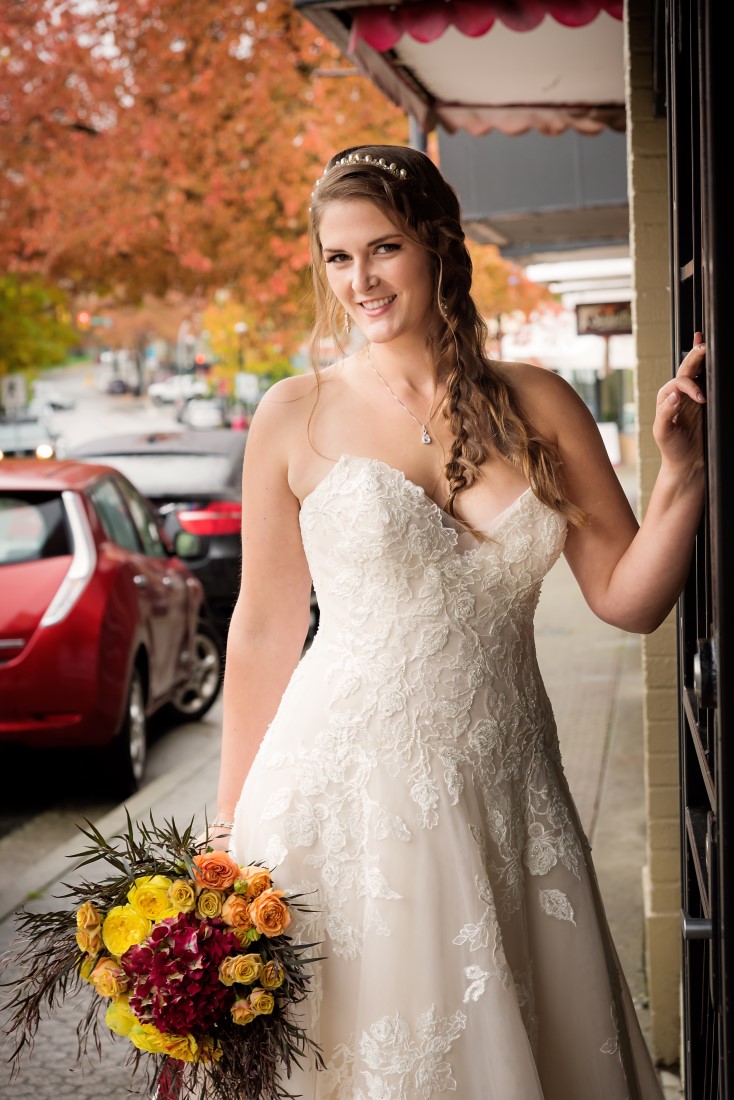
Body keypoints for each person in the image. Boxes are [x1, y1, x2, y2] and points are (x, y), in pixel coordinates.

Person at [209, 145, 706, 1099]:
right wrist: (224, 837)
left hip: (509, 792)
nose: (360, 280)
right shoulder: (293, 415)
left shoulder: (542, 403)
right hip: (339, 798)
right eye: (337, 257)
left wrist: (683, 476)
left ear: (438, 245)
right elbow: (265, 630)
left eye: (383, 248)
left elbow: (629, 598)